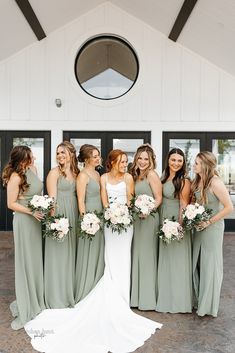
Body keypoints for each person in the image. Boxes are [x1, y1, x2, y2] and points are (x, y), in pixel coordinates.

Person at [24, 149, 162, 353]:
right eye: (122, 161)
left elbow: (130, 198)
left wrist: (124, 214)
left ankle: (123, 297)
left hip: (125, 223)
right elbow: (100, 199)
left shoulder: (127, 177)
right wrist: (108, 214)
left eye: (126, 161)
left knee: (124, 258)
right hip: (108, 222)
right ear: (113, 162)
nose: (125, 164)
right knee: (110, 257)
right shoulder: (101, 177)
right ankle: (110, 291)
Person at [2, 145, 45, 329]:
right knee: (25, 259)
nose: (33, 158)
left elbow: (37, 193)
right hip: (24, 220)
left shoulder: (33, 169)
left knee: (35, 259)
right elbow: (11, 204)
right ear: (22, 159)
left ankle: (36, 298)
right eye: (30, 156)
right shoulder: (15, 176)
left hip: (36, 219)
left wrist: (43, 206)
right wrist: (31, 212)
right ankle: (26, 303)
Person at [191, 151, 233, 317]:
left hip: (212, 228)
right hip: (199, 227)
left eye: (197, 163)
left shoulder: (215, 182)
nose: (194, 165)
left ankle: (208, 306)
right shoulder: (198, 180)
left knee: (210, 265)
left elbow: (229, 207)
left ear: (205, 165)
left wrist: (208, 222)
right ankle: (199, 299)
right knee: (198, 263)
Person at [156, 148, 193, 313]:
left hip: (174, 222)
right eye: (173, 160)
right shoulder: (163, 178)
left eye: (179, 160)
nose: (176, 163)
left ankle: (178, 300)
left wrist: (179, 227)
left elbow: (183, 205)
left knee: (176, 261)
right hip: (163, 219)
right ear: (168, 161)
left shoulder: (183, 181)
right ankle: (165, 296)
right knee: (166, 259)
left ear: (183, 162)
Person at [44, 141, 79, 308]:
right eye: (58, 153)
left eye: (63, 152)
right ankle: (55, 295)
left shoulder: (76, 172)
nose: (59, 156)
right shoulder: (54, 173)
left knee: (71, 254)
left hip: (74, 213)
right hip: (60, 215)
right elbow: (52, 199)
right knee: (59, 254)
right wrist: (54, 222)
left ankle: (69, 291)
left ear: (71, 154)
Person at [130, 144, 162, 310]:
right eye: (140, 158)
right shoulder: (136, 175)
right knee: (137, 254)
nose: (142, 162)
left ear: (151, 161)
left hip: (149, 219)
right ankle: (136, 297)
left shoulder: (151, 175)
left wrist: (148, 210)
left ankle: (147, 299)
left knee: (147, 255)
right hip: (137, 219)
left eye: (146, 159)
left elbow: (158, 198)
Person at [75, 144, 104, 302]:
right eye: (95, 156)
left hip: (99, 216)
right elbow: (80, 200)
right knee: (88, 252)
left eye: (98, 155)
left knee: (98, 251)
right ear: (86, 159)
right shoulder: (83, 176)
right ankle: (85, 289)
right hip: (89, 219)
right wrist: (86, 221)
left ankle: (96, 285)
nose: (98, 158)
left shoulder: (97, 174)